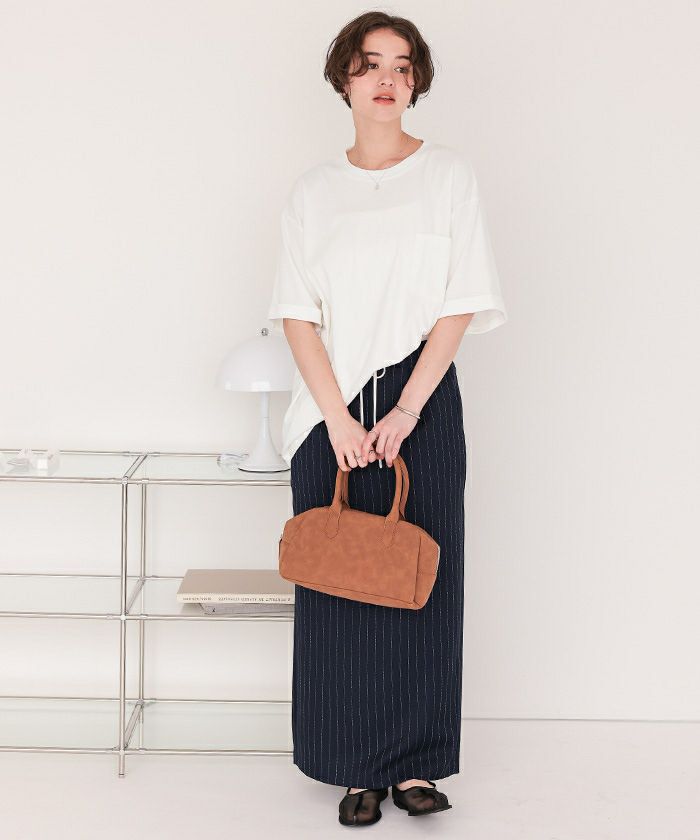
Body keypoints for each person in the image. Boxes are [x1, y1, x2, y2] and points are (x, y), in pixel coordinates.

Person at [267, 11, 507, 827]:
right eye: (370, 64)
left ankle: (414, 766)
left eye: (403, 67)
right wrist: (337, 419)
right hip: (328, 406)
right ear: (344, 78)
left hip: (421, 397)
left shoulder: (448, 176)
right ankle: (352, 766)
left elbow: (461, 301)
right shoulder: (313, 192)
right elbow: (297, 313)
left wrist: (407, 405)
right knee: (339, 582)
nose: (387, 79)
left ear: (416, 83)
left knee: (419, 581)